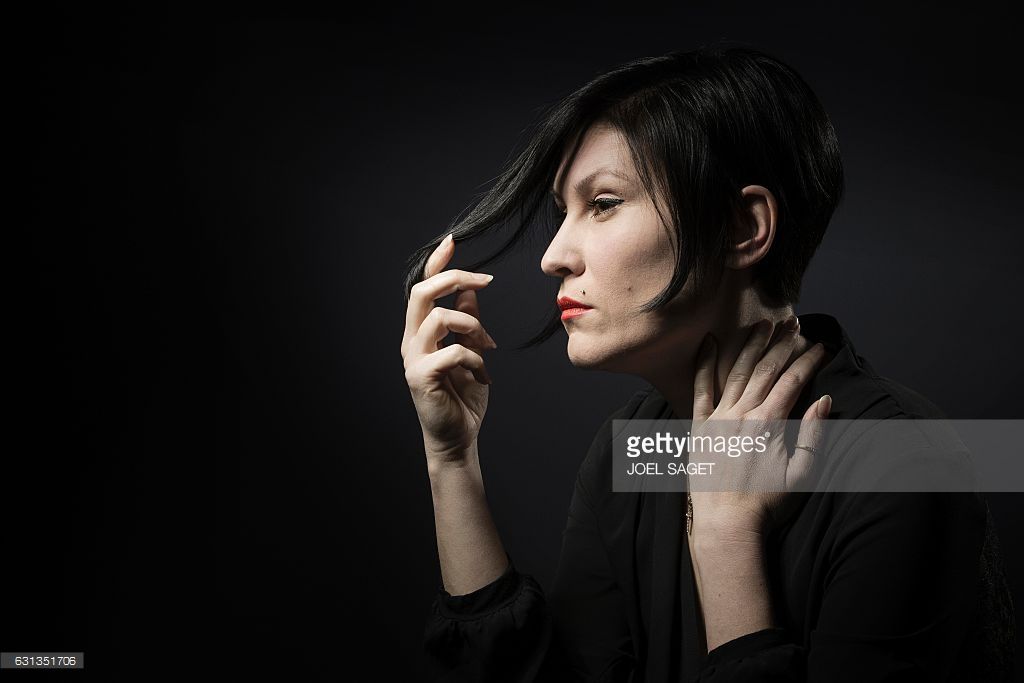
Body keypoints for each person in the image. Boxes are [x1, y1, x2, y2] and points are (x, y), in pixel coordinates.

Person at [400, 45, 1016, 681]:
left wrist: (726, 540)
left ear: (742, 228)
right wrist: (452, 459)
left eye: (603, 203)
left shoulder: (909, 459)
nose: (553, 255)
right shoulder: (635, 453)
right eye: (564, 213)